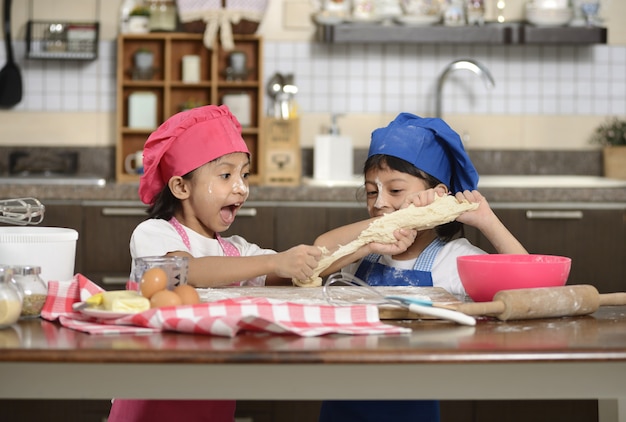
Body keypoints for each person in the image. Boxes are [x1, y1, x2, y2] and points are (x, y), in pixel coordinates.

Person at [108, 104, 324, 422]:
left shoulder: (236, 251)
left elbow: (298, 268)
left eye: (244, 174)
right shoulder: (154, 234)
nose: (242, 187)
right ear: (181, 186)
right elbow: (187, 271)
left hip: (212, 394)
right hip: (151, 392)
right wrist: (276, 261)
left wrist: (368, 239)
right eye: (226, 175)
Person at [314, 113, 528, 422]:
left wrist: (487, 220)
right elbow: (317, 255)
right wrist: (369, 241)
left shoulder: (452, 259)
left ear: (436, 195)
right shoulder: (365, 250)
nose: (379, 204)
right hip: (343, 401)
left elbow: (529, 290)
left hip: (410, 406)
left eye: (396, 191)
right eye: (371, 192)